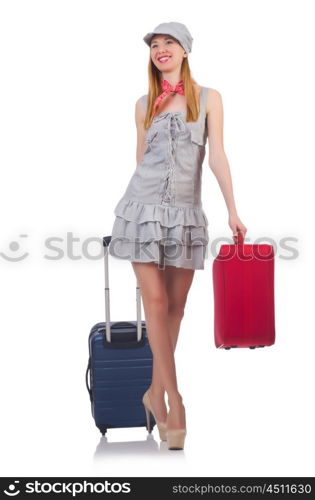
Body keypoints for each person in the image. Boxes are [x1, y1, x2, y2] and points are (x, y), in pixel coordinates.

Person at [109, 22, 247, 450]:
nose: (160, 49)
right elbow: (140, 160)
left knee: (176, 310)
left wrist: (232, 209)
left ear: (185, 51)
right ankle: (174, 402)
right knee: (155, 304)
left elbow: (217, 154)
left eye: (169, 43)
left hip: (186, 215)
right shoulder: (143, 103)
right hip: (142, 210)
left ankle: (152, 391)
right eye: (154, 44)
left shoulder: (209, 98)